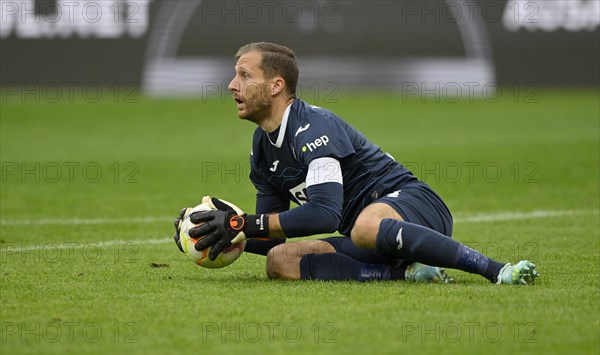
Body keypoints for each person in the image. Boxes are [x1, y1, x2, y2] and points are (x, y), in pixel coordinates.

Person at [173, 42, 539, 285]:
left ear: (275, 86)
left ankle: (494, 269)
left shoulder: (313, 127)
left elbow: (326, 215)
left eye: (244, 75)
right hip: (365, 235)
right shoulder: (262, 148)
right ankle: (407, 274)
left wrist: (242, 222)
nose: (231, 85)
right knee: (281, 262)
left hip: (414, 206)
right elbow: (275, 232)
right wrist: (226, 236)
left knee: (364, 225)